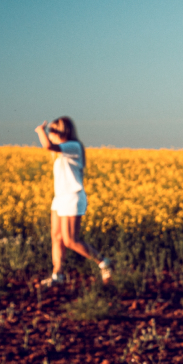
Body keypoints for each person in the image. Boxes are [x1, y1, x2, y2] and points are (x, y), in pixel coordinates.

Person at [34, 117, 113, 286]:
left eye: (53, 132)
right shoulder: (63, 151)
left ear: (62, 132)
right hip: (59, 198)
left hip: (72, 196)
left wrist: (40, 131)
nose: (50, 135)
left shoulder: (73, 146)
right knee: (56, 238)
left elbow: (48, 146)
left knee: (71, 240)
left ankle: (103, 263)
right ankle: (58, 275)